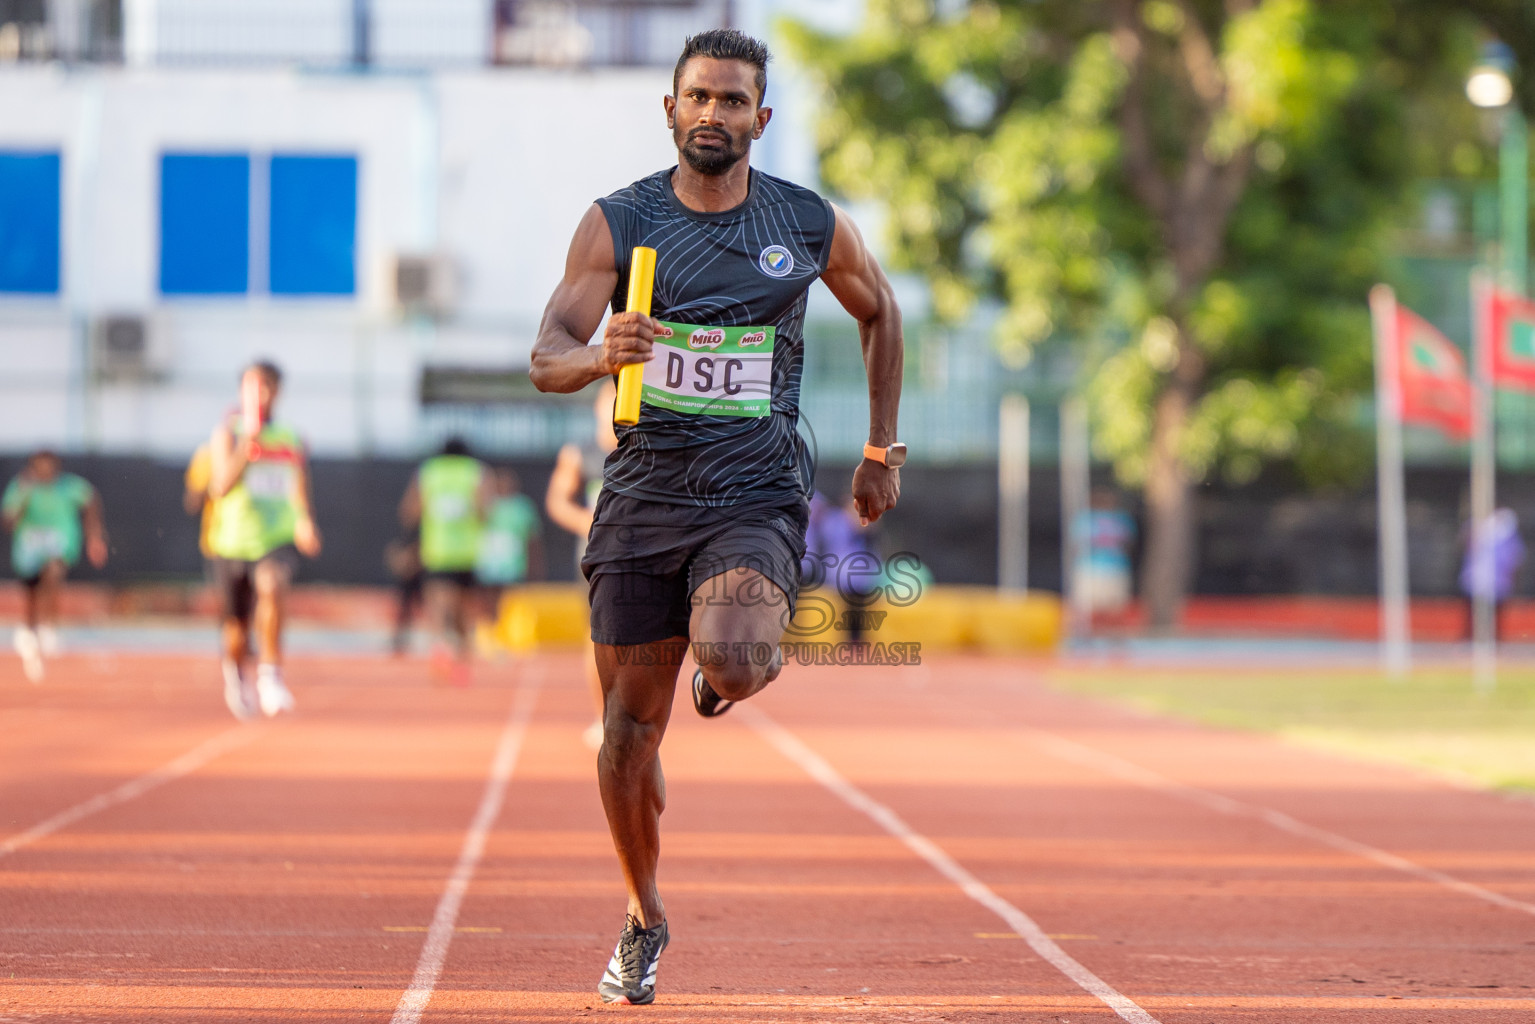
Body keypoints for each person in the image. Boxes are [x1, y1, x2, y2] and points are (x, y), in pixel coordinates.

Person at [529, 29, 905, 1006]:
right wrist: (597, 354)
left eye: (732, 101)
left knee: (734, 653)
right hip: (640, 498)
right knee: (623, 740)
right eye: (697, 96)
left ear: (759, 119)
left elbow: (879, 311)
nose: (712, 114)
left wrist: (877, 448)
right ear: (669, 108)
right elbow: (545, 356)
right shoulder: (619, 224)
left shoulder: (805, 221)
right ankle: (644, 915)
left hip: (751, 492)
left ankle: (726, 670)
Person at [206, 361, 322, 719]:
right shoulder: (228, 433)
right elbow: (219, 486)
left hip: (275, 537)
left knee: (273, 584)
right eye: (252, 387)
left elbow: (298, 481)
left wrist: (304, 519)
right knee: (236, 630)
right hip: (232, 541)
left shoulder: (291, 438)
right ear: (241, 392)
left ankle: (271, 673)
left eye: (266, 386)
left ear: (277, 391)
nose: (260, 394)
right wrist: (247, 445)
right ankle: (237, 674)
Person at [545, 380, 619, 748]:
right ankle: (603, 718)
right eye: (611, 403)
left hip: (639, 557)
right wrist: (588, 522)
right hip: (593, 560)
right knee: (599, 643)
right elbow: (557, 501)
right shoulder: (580, 454)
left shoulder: (644, 455)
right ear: (598, 409)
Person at [3, 450, 108, 682]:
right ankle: (32, 629)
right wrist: (21, 499)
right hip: (29, 544)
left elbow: (91, 499)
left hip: (59, 542)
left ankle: (49, 626)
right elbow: (8, 519)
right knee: (31, 588)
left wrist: (95, 536)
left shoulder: (69, 486)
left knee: (53, 571)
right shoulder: (22, 488)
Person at [399, 437, 491, 685]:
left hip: (437, 551)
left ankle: (440, 651)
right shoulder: (476, 472)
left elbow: (410, 510)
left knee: (439, 609)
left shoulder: (429, 472)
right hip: (467, 552)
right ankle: (461, 664)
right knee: (463, 612)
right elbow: (485, 510)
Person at [475, 466, 544, 638]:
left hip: (514, 565)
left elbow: (532, 539)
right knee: (489, 602)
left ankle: (509, 635)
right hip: (490, 565)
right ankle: (492, 634)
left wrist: (534, 565)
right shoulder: (488, 505)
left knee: (511, 601)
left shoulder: (523, 507)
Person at [1069, 487, 1136, 627]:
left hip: (1115, 568)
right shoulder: (1084, 518)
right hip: (1090, 569)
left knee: (1115, 607)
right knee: (1086, 607)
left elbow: (1129, 544)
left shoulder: (1121, 518)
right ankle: (1084, 635)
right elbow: (1076, 545)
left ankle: (1114, 637)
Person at [1460, 506, 1524, 642]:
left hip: (1498, 582)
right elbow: (1466, 545)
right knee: (1473, 611)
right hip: (1476, 580)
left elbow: (1514, 558)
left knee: (1495, 612)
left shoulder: (1508, 536)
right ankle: (1470, 637)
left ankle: (1494, 638)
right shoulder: (1479, 529)